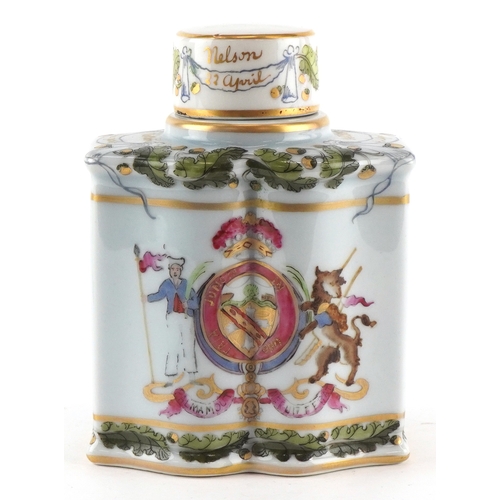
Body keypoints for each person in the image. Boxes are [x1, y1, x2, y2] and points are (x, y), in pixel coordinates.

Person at [147, 257, 199, 386]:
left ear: (180, 271)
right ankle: (170, 377)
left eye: (177, 269)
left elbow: (196, 302)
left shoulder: (186, 284)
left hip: (186, 317)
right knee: (172, 345)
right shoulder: (166, 284)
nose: (175, 271)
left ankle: (192, 376)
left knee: (188, 345)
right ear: (169, 270)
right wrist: (146, 298)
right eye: (173, 269)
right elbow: (159, 295)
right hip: (172, 317)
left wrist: (188, 304)